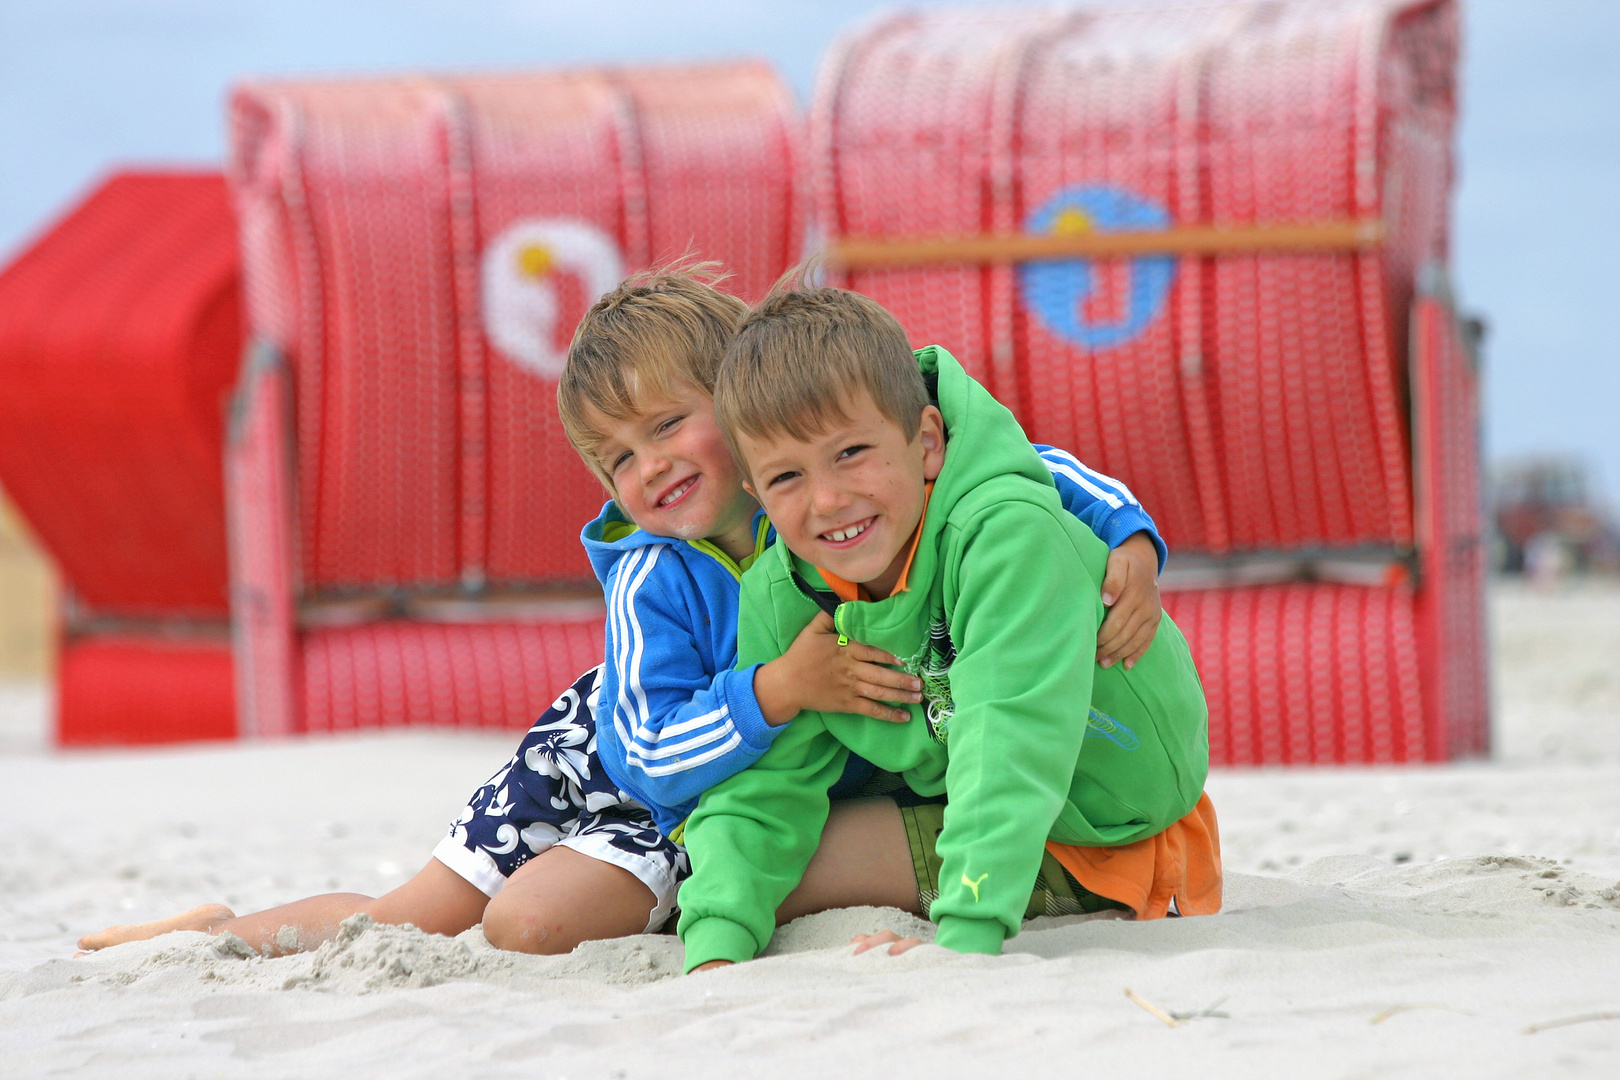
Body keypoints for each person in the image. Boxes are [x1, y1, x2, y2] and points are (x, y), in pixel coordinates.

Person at [78, 266, 1167, 959]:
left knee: (527, 922)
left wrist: (1126, 532)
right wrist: (778, 690)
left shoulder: (825, 490)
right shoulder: (658, 574)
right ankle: (222, 931)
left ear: (742, 402)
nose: (646, 470)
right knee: (413, 912)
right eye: (616, 458)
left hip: (729, 765)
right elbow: (644, 753)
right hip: (617, 754)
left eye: (667, 428)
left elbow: (1008, 466)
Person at [678, 285, 1220, 974]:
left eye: (850, 453)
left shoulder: (1004, 534)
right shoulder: (782, 594)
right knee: (730, 881)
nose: (827, 499)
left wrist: (960, 939)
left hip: (1113, 826)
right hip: (966, 789)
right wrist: (713, 958)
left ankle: (1027, 894)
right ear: (754, 493)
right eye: (787, 475)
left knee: (801, 881)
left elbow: (1008, 734)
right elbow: (761, 789)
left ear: (927, 442)